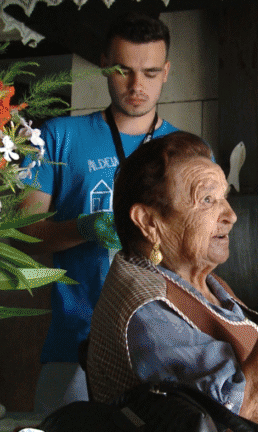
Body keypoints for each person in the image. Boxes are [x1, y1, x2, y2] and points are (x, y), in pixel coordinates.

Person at [87, 131, 258, 432]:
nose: (231, 215)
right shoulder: (146, 310)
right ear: (149, 222)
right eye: (207, 199)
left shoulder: (204, 283)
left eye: (224, 197)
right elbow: (252, 421)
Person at [17, 12, 178, 411]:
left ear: (166, 72)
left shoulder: (187, 150)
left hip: (162, 347)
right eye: (124, 70)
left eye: (151, 71)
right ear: (105, 64)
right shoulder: (59, 136)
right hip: (73, 344)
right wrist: (83, 227)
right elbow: (18, 237)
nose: (137, 86)